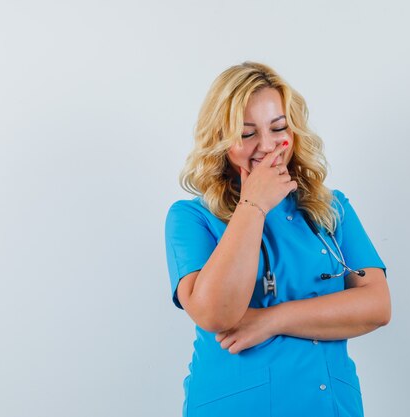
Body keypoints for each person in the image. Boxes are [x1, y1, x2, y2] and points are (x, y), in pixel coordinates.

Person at [164, 61, 391, 417]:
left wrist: (271, 319)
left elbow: (377, 305)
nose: (267, 146)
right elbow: (215, 314)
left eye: (278, 127)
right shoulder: (192, 217)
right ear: (221, 139)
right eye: (247, 132)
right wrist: (253, 204)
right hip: (238, 405)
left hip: (329, 404)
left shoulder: (330, 208)